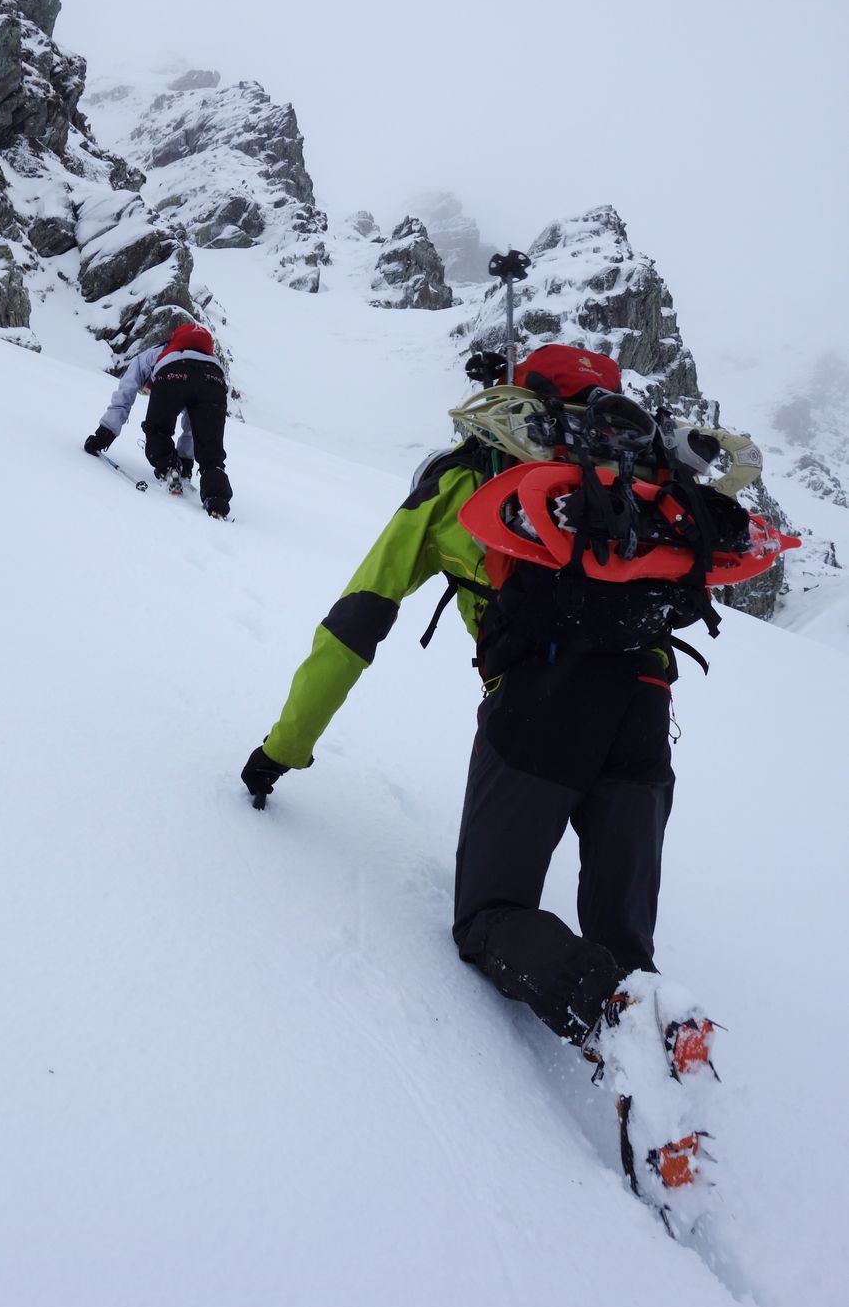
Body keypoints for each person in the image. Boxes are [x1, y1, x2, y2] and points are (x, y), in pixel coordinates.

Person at [239, 345, 758, 1063]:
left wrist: (280, 751)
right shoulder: (640, 482)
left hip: (537, 711)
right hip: (645, 705)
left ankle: (613, 1015)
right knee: (623, 943)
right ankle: (659, 1045)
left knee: (490, 917)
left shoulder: (464, 482)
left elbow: (356, 623)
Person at [85, 321, 233, 517]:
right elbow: (193, 424)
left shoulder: (151, 355)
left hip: (172, 373)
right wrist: (186, 464)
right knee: (211, 449)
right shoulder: (207, 358)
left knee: (157, 430)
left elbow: (125, 395)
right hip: (214, 380)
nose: (146, 391)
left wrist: (104, 434)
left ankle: (169, 467)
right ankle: (217, 500)